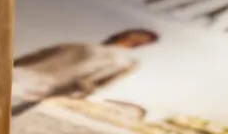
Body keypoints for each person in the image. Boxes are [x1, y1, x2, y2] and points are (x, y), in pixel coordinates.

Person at [10, 28, 155, 117]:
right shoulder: (125, 64)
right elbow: (91, 87)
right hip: (33, 93)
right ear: (138, 45)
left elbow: (21, 61)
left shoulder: (75, 46)